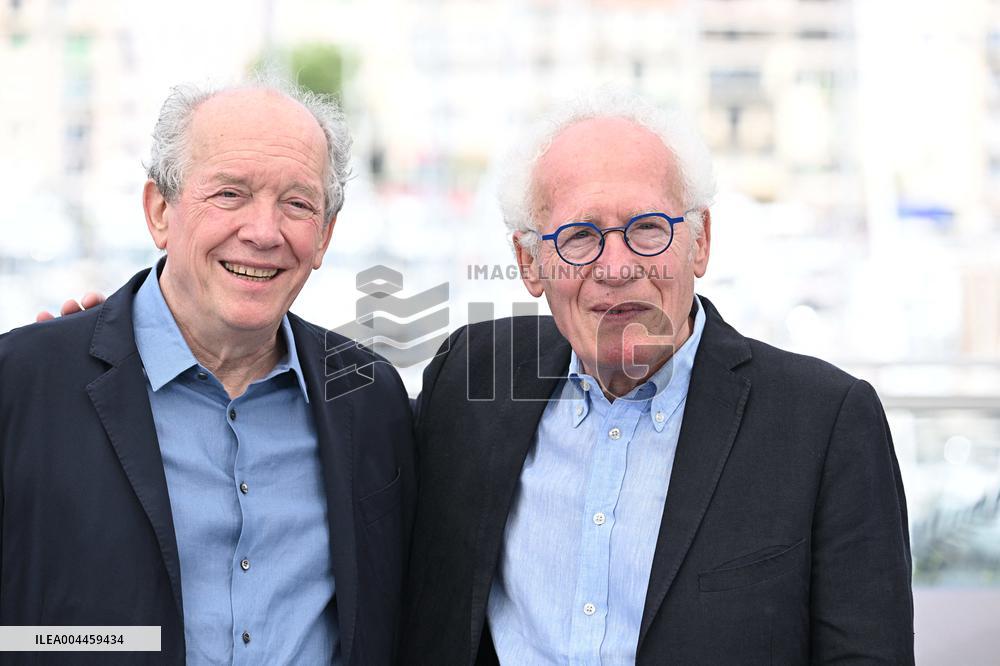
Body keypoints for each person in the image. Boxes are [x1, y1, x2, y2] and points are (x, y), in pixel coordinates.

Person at [398, 91, 914, 664]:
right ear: (528, 264)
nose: (617, 268)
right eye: (578, 237)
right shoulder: (471, 378)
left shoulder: (824, 422)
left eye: (648, 229)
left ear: (702, 242)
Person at [0, 80, 414, 665]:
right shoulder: (25, 386)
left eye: (297, 203)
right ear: (159, 211)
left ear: (324, 236)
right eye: (230, 194)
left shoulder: (370, 396)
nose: (264, 232)